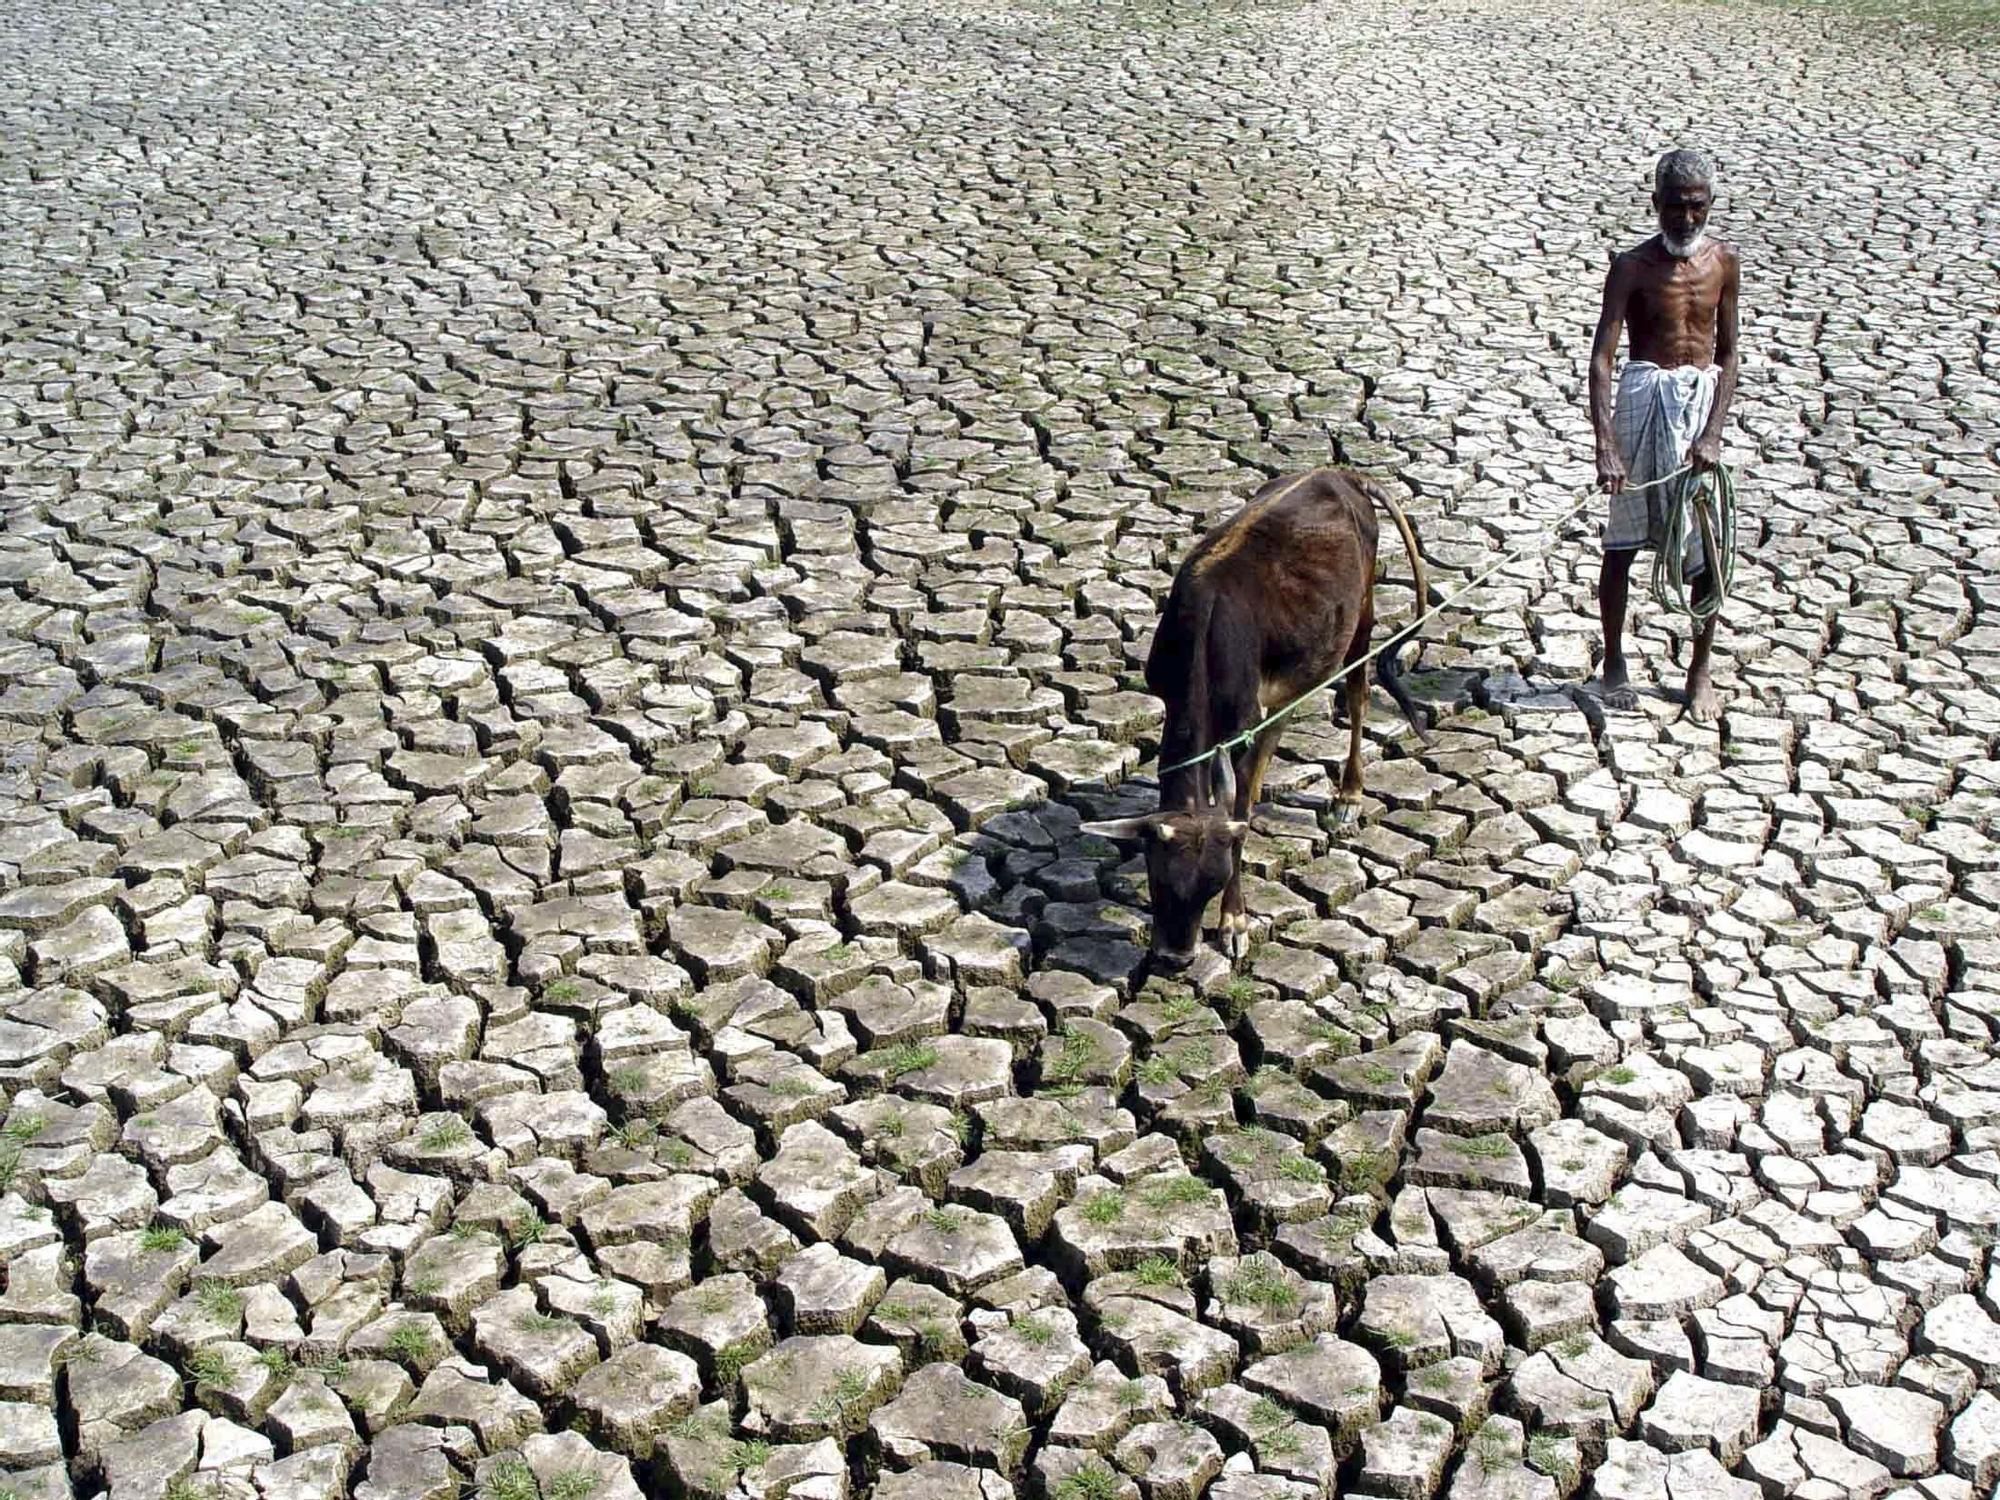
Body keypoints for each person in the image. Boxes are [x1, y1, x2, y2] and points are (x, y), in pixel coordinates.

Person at [1588, 147, 1740, 723]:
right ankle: (1614, 662)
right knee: (1621, 545)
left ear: (1709, 206)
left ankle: (1699, 670)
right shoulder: (1631, 267)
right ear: (1655, 205)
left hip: (1698, 407)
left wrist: (1713, 434)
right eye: (1674, 207)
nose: (1685, 219)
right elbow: (1602, 359)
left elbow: (1728, 355)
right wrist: (1606, 445)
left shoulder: (1723, 263)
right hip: (1642, 399)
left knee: (1705, 546)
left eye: (1696, 207)